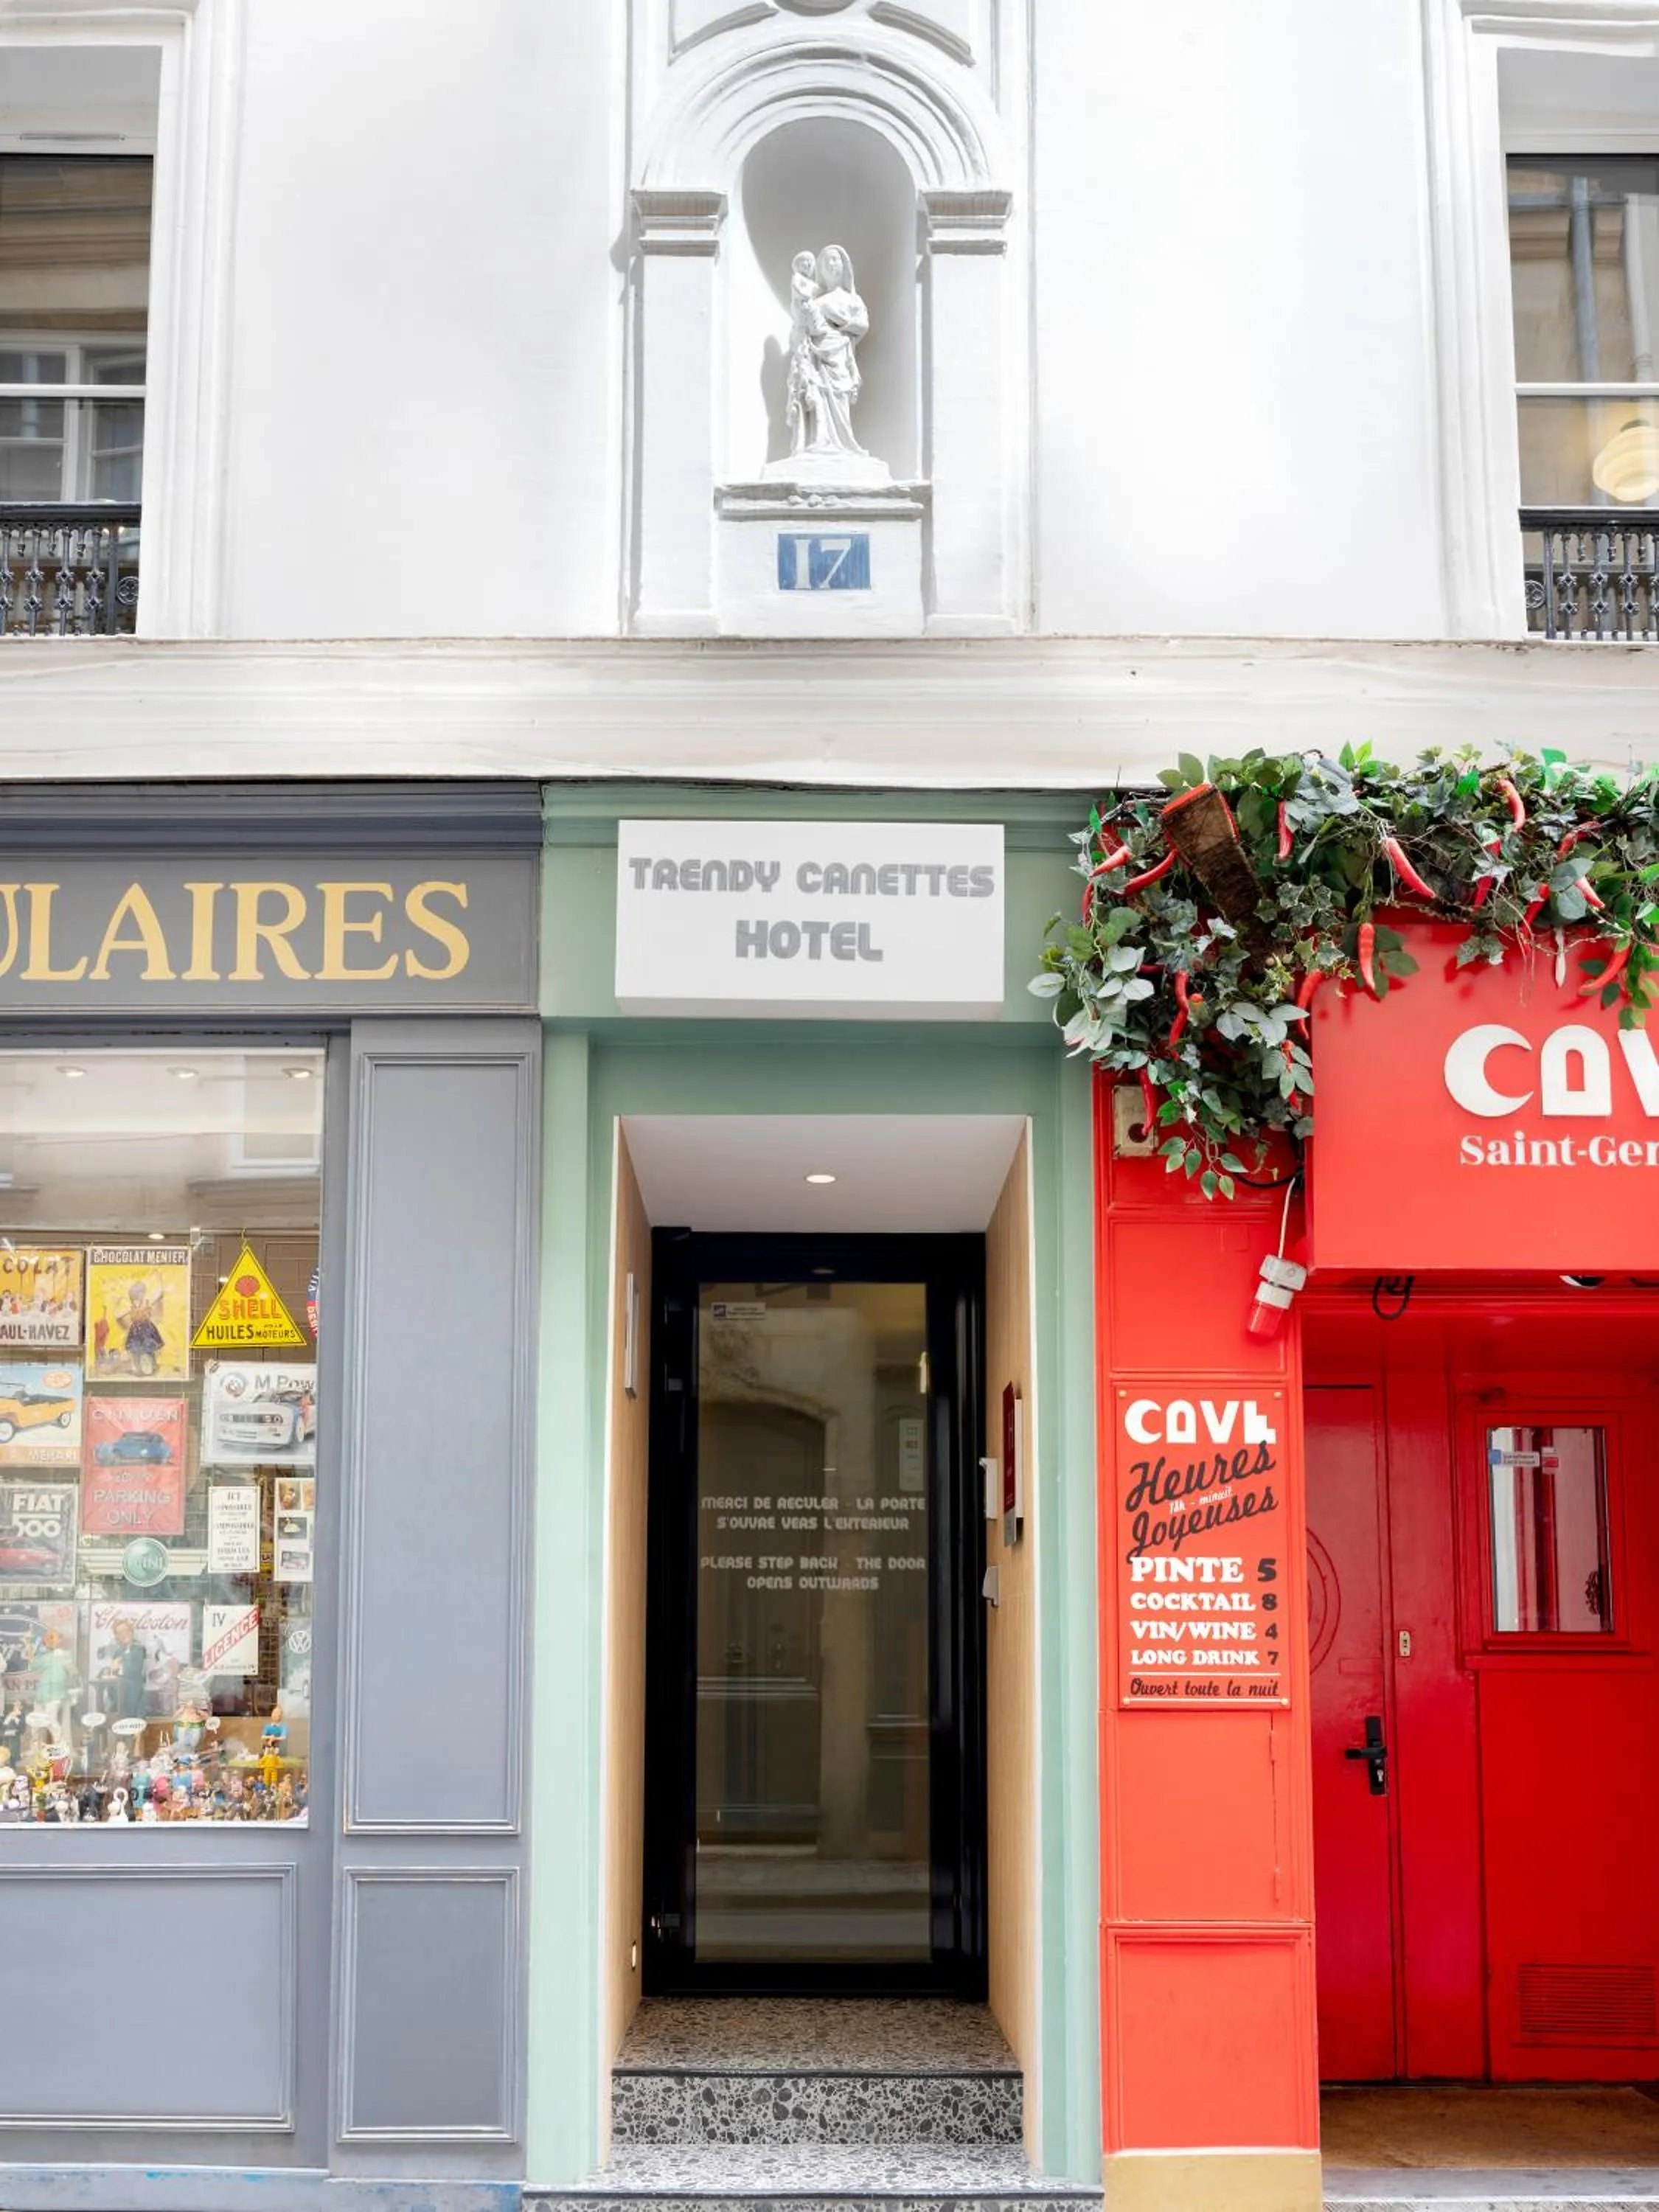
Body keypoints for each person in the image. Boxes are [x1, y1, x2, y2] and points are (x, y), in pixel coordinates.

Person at [786, 244, 872, 462]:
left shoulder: (853, 299)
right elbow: (806, 326)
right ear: (820, 269)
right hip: (817, 352)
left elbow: (862, 326)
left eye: (835, 260)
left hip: (840, 353)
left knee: (839, 395)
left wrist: (840, 320)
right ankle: (819, 440)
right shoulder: (817, 299)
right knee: (817, 394)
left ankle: (843, 442)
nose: (831, 265)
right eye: (826, 262)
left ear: (845, 266)